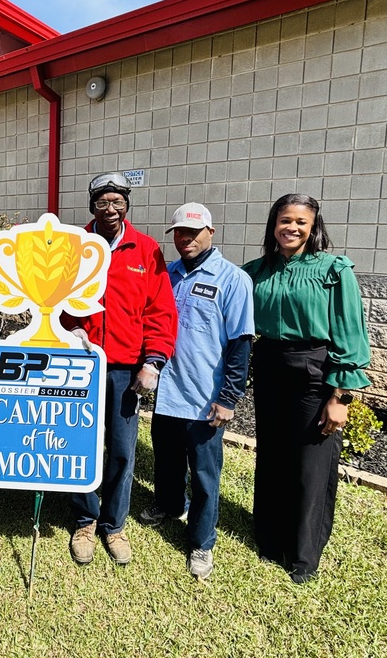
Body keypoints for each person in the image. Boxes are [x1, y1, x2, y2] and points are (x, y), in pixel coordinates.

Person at [242, 193, 371, 584]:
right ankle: (269, 538)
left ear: (313, 227)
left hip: (314, 370)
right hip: (268, 367)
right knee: (273, 458)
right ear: (273, 224)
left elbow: (351, 333)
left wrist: (340, 396)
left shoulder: (333, 270)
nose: (291, 228)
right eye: (285, 220)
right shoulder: (255, 271)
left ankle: (302, 554)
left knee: (310, 465)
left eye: (301, 221)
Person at [62, 172, 177, 566]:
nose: (110, 209)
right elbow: (54, 299)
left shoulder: (145, 249)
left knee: (123, 451)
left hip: (127, 369)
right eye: (102, 202)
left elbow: (160, 310)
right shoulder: (74, 246)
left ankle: (113, 525)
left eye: (118, 202)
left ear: (127, 205)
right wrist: (67, 328)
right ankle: (84, 519)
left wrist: (153, 361)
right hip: (81, 365)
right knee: (81, 443)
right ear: (91, 205)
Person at [139, 203, 254, 580]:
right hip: (167, 392)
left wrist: (228, 398)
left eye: (194, 231)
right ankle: (169, 506)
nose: (185, 239)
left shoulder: (233, 279)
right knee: (167, 461)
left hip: (205, 398)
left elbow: (240, 344)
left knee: (205, 475)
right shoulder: (164, 274)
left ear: (211, 232)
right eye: (179, 232)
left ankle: (202, 542)